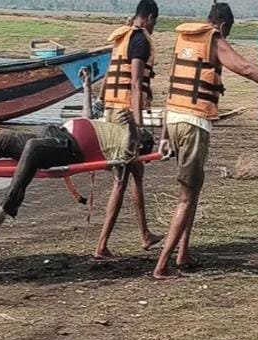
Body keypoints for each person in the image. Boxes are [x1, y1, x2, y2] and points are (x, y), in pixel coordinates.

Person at [153, 2, 258, 279]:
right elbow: (245, 68)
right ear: (222, 26)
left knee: (194, 189)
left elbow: (173, 84)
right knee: (186, 197)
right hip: (193, 123)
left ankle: (183, 253)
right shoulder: (214, 39)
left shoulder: (184, 38)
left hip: (173, 120)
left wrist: (163, 136)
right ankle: (161, 266)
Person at [0, 69, 156, 233]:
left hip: (69, 149)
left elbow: (129, 151)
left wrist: (132, 127)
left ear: (140, 145)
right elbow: (86, 116)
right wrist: (87, 87)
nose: (141, 131)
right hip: (56, 134)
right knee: (6, 139)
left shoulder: (128, 146)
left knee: (33, 147)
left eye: (142, 135)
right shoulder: (115, 128)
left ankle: (6, 208)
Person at [94, 0, 162, 259]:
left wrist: (100, 103)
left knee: (136, 173)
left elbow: (108, 77)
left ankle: (145, 234)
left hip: (113, 110)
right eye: (154, 23)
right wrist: (138, 125)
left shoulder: (122, 37)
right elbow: (135, 83)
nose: (154, 27)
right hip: (125, 117)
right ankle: (102, 245)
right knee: (121, 179)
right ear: (149, 18)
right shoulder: (140, 41)